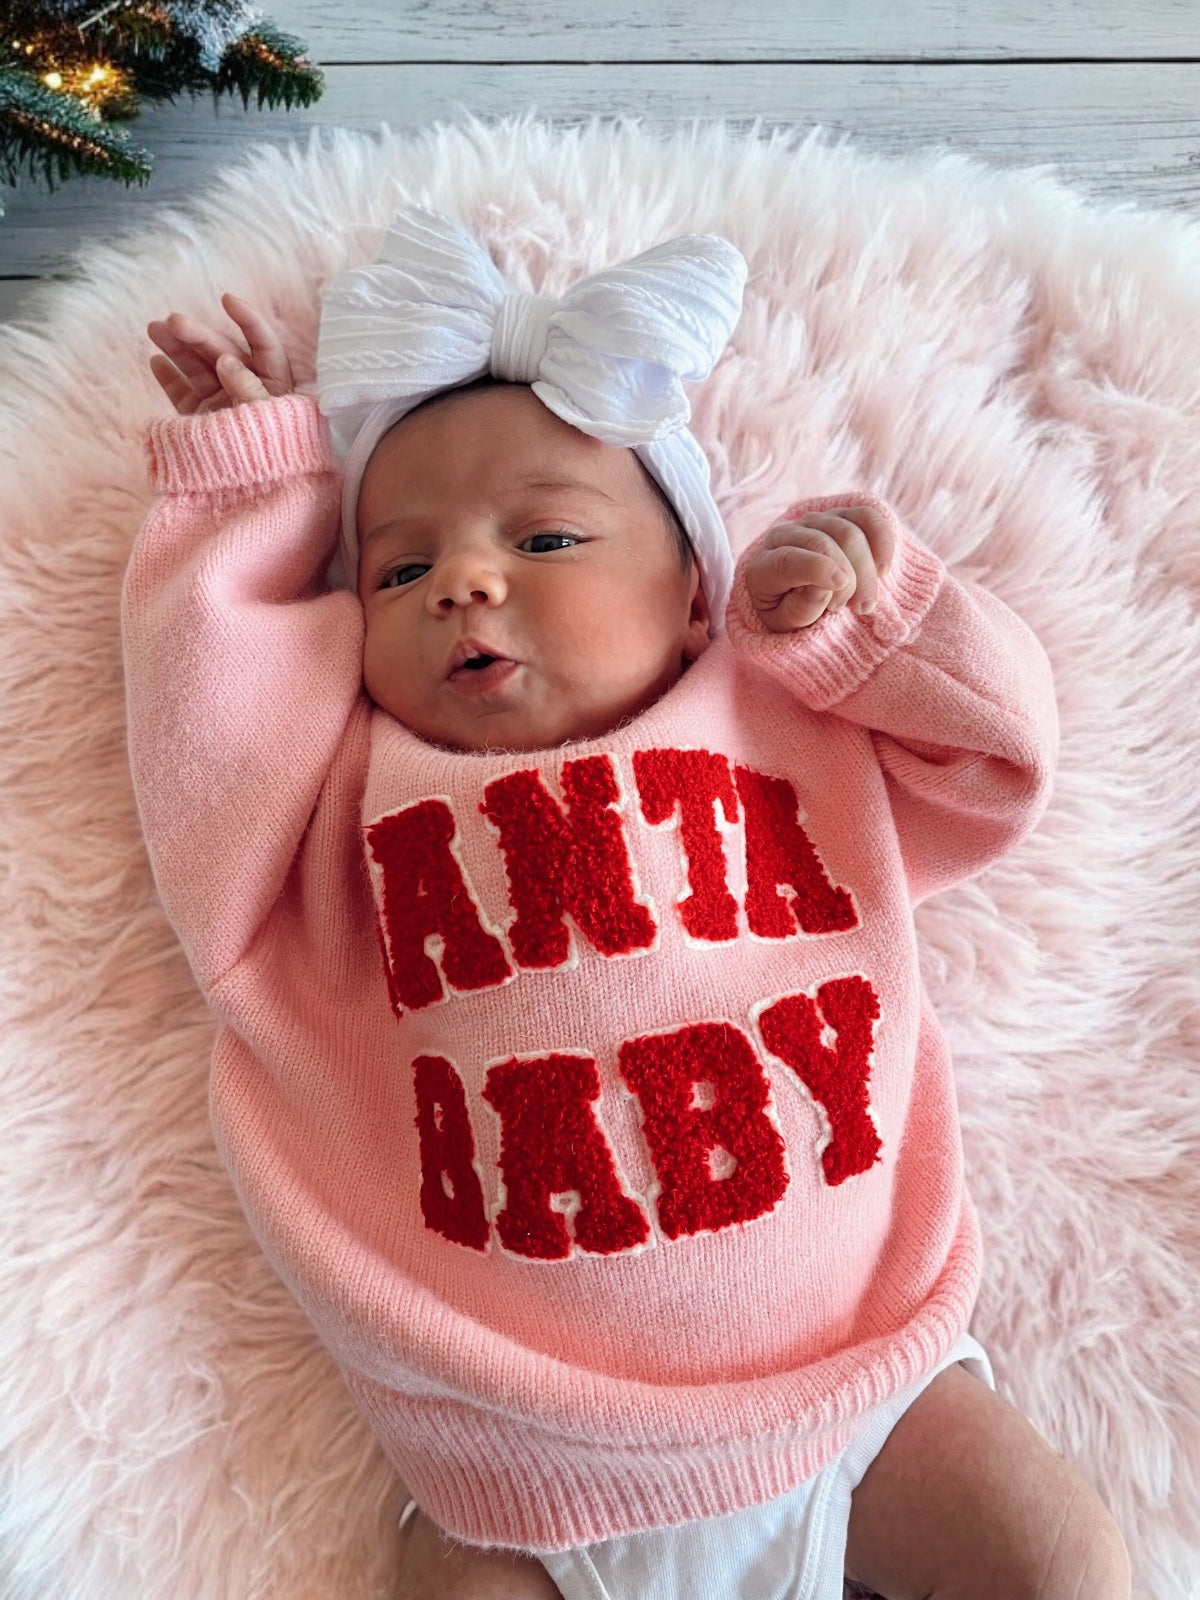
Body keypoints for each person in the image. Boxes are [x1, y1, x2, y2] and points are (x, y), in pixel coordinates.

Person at [128, 207, 1131, 1600]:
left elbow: (998, 761)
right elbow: (208, 735)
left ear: (690, 596)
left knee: (1066, 1565)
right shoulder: (340, 800)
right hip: (518, 1470)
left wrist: (870, 622)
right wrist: (255, 493)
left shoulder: (777, 715)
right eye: (401, 569)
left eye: (546, 539)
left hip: (858, 1395)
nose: (465, 580)